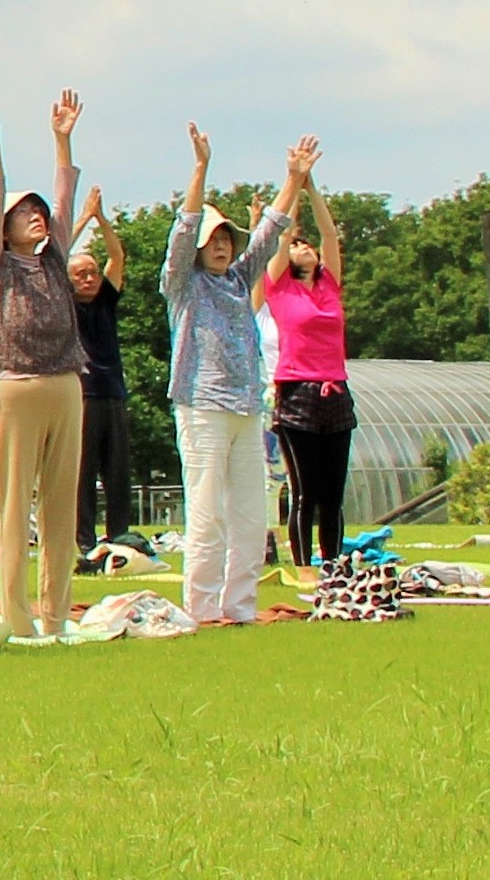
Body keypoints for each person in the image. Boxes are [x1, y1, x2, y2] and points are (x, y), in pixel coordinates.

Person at [0, 89, 86, 644]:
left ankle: (57, 617)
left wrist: (62, 140)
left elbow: (65, 198)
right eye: (25, 213)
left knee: (62, 509)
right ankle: (15, 618)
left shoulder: (56, 257)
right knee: (14, 509)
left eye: (37, 211)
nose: (36, 217)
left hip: (65, 384)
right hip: (12, 387)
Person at [166, 124, 289, 625]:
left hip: (246, 407)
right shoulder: (183, 283)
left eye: (226, 239)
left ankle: (239, 607)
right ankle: (201, 606)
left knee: (249, 516)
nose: (220, 246)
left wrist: (295, 178)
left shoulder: (239, 279)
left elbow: (271, 232)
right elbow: (182, 228)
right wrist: (200, 170)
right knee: (207, 511)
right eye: (212, 239)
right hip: (202, 406)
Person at [263, 138, 354, 572]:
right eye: (297, 244)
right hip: (296, 390)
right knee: (305, 491)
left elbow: (330, 232)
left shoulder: (329, 285)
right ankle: (302, 566)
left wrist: (312, 184)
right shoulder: (280, 286)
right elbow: (280, 237)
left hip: (335, 390)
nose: (303, 247)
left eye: (306, 244)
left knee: (333, 492)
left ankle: (333, 564)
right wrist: (292, 181)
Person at [70, 192, 134, 553]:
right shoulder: (64, 301)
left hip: (113, 392)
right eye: (81, 274)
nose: (89, 279)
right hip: (82, 395)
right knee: (83, 473)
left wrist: (101, 219)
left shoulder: (106, 301)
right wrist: (80, 220)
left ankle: (120, 535)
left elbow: (117, 256)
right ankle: (83, 540)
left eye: (92, 273)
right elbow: (56, 253)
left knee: (117, 471)